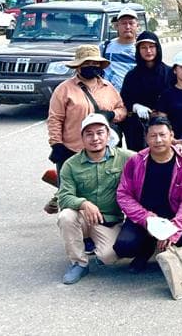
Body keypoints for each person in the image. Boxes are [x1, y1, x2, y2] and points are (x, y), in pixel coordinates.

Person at [47, 45, 127, 213]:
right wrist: (56, 144)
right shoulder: (64, 89)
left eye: (95, 63)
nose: (92, 66)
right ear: (78, 66)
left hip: (103, 150)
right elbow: (55, 118)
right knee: (69, 196)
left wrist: (112, 115)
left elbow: (122, 109)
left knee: (101, 192)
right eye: (87, 63)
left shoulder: (108, 88)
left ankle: (99, 227)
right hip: (72, 149)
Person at [56, 113, 134, 284]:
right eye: (89, 134)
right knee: (66, 216)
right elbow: (64, 196)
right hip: (82, 218)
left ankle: (92, 243)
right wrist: (83, 203)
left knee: (109, 257)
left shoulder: (126, 158)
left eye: (100, 132)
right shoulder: (70, 165)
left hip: (108, 221)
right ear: (82, 138)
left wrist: (175, 148)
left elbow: (152, 156)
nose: (95, 138)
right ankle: (79, 263)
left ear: (108, 135)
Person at [114, 116, 182, 273]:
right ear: (146, 138)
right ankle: (146, 249)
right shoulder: (136, 161)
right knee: (124, 247)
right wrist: (147, 219)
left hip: (172, 217)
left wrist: (173, 229)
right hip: (144, 218)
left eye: (163, 135)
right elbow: (123, 195)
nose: (158, 140)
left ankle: (171, 252)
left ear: (171, 136)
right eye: (153, 136)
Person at [120, 31, 175, 151]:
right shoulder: (132, 75)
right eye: (143, 47)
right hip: (138, 128)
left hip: (165, 125)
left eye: (151, 47)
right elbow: (124, 99)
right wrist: (135, 106)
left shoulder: (170, 73)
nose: (148, 51)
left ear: (158, 48)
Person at [102, 7, 140, 90]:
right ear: (116, 26)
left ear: (137, 26)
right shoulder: (105, 47)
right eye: (123, 23)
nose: (127, 27)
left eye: (131, 23)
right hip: (110, 98)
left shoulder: (142, 49)